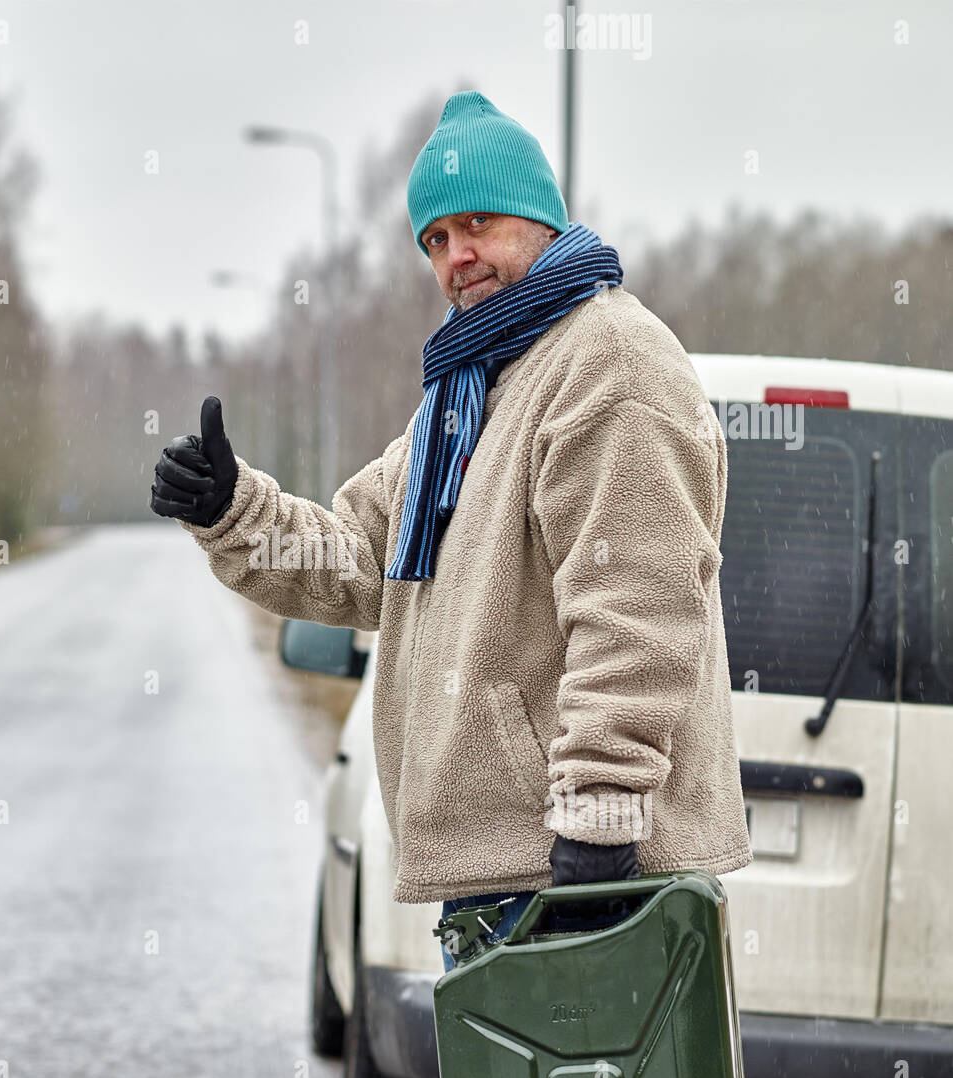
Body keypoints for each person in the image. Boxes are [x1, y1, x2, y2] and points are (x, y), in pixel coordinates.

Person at [150, 90, 751, 971]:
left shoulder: (609, 361)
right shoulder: (468, 395)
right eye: (434, 239)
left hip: (584, 878)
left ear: (540, 221)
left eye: (478, 224)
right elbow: (360, 559)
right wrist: (232, 510)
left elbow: (639, 609)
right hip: (507, 878)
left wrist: (598, 825)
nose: (455, 256)